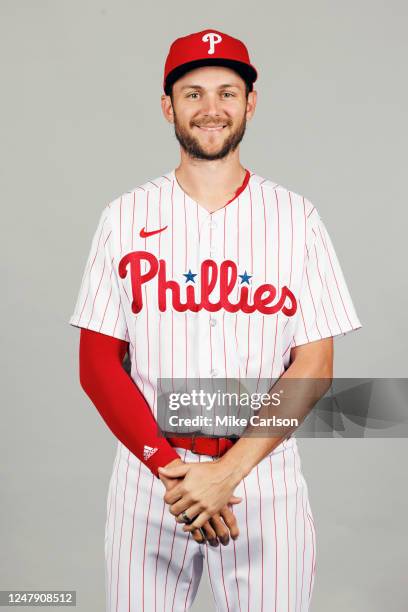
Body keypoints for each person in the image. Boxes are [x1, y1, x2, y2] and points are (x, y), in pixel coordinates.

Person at [69, 28, 362, 612]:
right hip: (151, 484)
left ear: (251, 103)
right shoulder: (123, 216)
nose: (211, 109)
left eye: (227, 93)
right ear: (167, 106)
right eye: (193, 93)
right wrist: (175, 474)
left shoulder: (295, 218)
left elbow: (316, 364)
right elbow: (98, 366)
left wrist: (227, 473)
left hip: (261, 479)